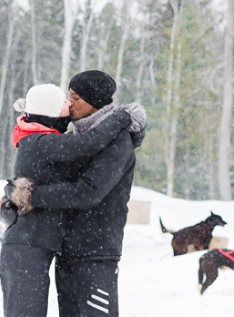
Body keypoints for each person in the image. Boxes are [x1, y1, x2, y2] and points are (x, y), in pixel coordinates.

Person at [9, 70, 147, 317]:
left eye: (75, 97)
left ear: (93, 102)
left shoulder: (118, 142)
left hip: (96, 252)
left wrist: (32, 196)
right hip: (67, 250)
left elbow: (88, 192)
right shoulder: (76, 139)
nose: (69, 103)